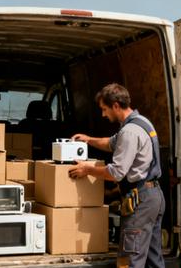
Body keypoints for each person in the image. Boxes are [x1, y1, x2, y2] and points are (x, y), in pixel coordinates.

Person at [68, 83, 164, 268]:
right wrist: (88, 139)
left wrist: (87, 169)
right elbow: (111, 143)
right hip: (154, 198)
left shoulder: (129, 132)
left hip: (140, 201)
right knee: (153, 259)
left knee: (129, 260)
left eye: (104, 109)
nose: (103, 114)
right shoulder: (142, 122)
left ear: (116, 106)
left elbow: (116, 173)